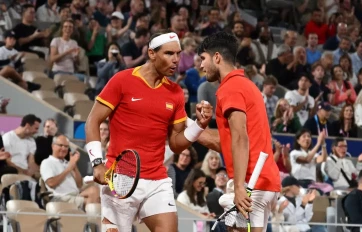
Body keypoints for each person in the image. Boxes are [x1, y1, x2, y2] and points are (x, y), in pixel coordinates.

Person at [84, 31, 213, 232]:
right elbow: (92, 120)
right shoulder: (122, 80)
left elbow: (177, 144)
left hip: (157, 181)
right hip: (119, 179)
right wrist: (97, 163)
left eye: (178, 54)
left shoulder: (176, 92)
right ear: (152, 53)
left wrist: (199, 126)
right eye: (169, 54)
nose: (176, 60)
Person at [197, 31, 281, 232]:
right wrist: (194, 127)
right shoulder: (244, 85)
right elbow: (225, 141)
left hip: (253, 183)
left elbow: (241, 138)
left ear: (217, 57)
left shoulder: (231, 88)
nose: (200, 65)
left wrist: (240, 187)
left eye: (203, 59)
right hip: (261, 181)